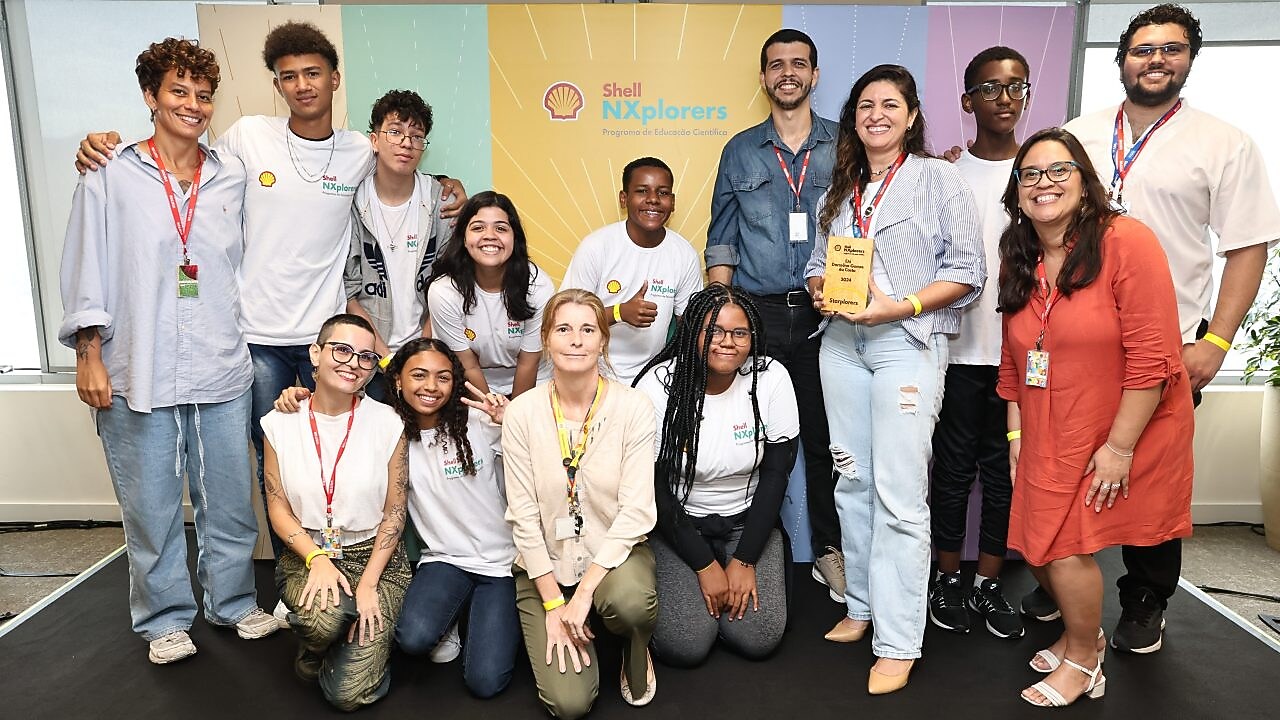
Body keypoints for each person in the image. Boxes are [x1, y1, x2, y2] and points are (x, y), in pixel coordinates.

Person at [73, 21, 466, 566]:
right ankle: (296, 572)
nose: (302, 85)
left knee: (353, 454)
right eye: (288, 77)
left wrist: (450, 186)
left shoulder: (358, 149)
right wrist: (99, 146)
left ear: (333, 79)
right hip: (252, 342)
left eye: (313, 73)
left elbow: (405, 171)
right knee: (271, 465)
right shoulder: (245, 139)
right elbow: (175, 163)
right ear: (276, 85)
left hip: (331, 340)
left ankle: (368, 564)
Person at [1016, 3, 1280, 653]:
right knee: (1062, 465)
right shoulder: (1077, 135)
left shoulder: (1224, 142)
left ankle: (1145, 597)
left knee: (1151, 477)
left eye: (1171, 48)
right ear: (1121, 60)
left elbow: (1247, 247)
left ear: (1190, 58)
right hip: (1077, 345)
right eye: (1142, 49)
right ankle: (1058, 583)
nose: (1155, 59)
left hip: (1165, 345)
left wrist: (1216, 342)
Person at [58, 37, 278, 665]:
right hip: (137, 364)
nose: (193, 105)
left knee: (231, 499)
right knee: (151, 504)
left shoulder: (230, 175)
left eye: (203, 95)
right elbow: (86, 265)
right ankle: (164, 618)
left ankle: (234, 603)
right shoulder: (110, 172)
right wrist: (88, 353)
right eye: (178, 92)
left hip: (220, 361)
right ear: (150, 97)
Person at [997, 127, 1195, 706]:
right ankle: (1079, 633)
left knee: (1062, 543)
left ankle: (1086, 658)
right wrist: (1016, 431)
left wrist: (1120, 448)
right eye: (1030, 174)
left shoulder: (1126, 242)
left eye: (1060, 170)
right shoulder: (1020, 256)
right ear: (1017, 193)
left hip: (1124, 427)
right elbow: (1014, 362)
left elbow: (1156, 358)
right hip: (1046, 427)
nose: (1044, 183)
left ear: (1085, 184)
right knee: (1035, 542)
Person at [805, 64, 984, 694]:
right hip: (841, 346)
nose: (875, 114)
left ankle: (900, 640)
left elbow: (968, 271)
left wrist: (899, 305)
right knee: (851, 481)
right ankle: (861, 607)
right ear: (853, 118)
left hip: (905, 344)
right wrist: (820, 285)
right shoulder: (844, 185)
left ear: (911, 116)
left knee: (899, 497)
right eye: (864, 105)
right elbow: (815, 264)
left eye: (890, 104)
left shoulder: (938, 178)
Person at [273, 338, 519, 698]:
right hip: (444, 561)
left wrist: (513, 419)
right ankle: (448, 616)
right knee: (414, 638)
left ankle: (470, 614)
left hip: (499, 564)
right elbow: (335, 413)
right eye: (419, 375)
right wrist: (296, 396)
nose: (431, 387)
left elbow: (540, 450)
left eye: (443, 377)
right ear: (398, 381)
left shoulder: (480, 421)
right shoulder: (387, 429)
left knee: (485, 683)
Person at [706, 28, 843, 601]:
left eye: (799, 64)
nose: (788, 73)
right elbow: (721, 243)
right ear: (764, 77)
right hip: (757, 314)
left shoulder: (846, 143)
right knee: (755, 436)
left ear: (814, 75)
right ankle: (753, 547)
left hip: (826, 314)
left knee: (823, 438)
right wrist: (720, 314)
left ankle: (830, 551)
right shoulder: (739, 149)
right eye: (776, 65)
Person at [502, 289, 658, 718]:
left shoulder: (634, 408)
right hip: (545, 565)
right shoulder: (523, 413)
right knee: (569, 705)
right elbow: (523, 515)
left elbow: (637, 511)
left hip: (612, 557)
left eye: (588, 329)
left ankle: (632, 644)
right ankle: (570, 618)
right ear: (547, 340)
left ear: (603, 341)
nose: (576, 339)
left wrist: (585, 591)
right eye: (564, 329)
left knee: (630, 604)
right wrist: (554, 603)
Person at [634, 284, 797, 666]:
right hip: (678, 525)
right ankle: (704, 604)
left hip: (747, 523)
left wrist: (744, 560)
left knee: (759, 638)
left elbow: (776, 474)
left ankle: (721, 599)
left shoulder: (770, 378)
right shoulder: (658, 386)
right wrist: (704, 566)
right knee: (686, 647)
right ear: (693, 331)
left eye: (740, 333)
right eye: (714, 331)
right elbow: (653, 486)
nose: (727, 342)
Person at [927, 46, 1032, 640]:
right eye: (990, 88)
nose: (1004, 98)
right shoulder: (946, 173)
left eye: (1016, 87)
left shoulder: (1040, 172)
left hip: (1019, 362)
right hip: (956, 355)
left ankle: (989, 583)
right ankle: (947, 579)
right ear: (967, 101)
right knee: (952, 472)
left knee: (1004, 476)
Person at [260, 313, 411, 711]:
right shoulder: (280, 421)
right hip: (307, 552)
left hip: (375, 557)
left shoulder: (387, 422)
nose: (352, 363)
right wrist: (315, 557)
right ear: (316, 353)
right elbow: (276, 505)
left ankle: (354, 649)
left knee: (346, 696)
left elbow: (396, 511)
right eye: (341, 350)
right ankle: (318, 643)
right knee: (321, 622)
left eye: (365, 357)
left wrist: (369, 584)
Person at [345, 90, 453, 403]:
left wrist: (419, 355)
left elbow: (449, 284)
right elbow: (350, 293)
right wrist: (386, 359)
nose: (406, 143)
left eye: (416, 136)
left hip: (426, 355)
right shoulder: (351, 201)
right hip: (367, 357)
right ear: (374, 140)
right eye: (395, 132)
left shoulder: (439, 202)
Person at [561, 157, 703, 386]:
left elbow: (690, 326)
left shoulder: (684, 254)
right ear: (624, 198)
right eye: (642, 191)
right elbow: (565, 317)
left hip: (653, 377)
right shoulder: (597, 246)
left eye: (663, 193)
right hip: (591, 372)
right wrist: (620, 312)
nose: (653, 200)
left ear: (673, 202)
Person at [427, 191, 554, 397]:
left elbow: (528, 363)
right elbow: (468, 365)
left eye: (501, 228)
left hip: (534, 382)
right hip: (473, 385)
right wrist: (492, 409)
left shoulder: (538, 286)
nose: (489, 236)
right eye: (478, 228)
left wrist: (512, 415)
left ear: (515, 238)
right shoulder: (443, 291)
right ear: (464, 238)